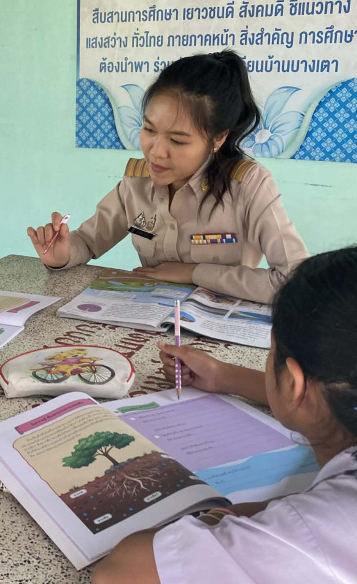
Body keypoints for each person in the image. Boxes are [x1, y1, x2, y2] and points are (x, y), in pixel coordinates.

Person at [93, 247, 357, 584]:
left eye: (271, 351)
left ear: (294, 382)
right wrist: (222, 375)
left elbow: (120, 573)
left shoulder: (312, 531)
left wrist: (222, 516)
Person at [27, 50, 308, 304]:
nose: (156, 152)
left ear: (218, 138)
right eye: (149, 130)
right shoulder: (136, 182)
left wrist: (195, 273)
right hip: (147, 321)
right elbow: (88, 241)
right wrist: (62, 255)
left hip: (217, 328)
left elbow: (294, 283)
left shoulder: (249, 185)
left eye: (178, 140)